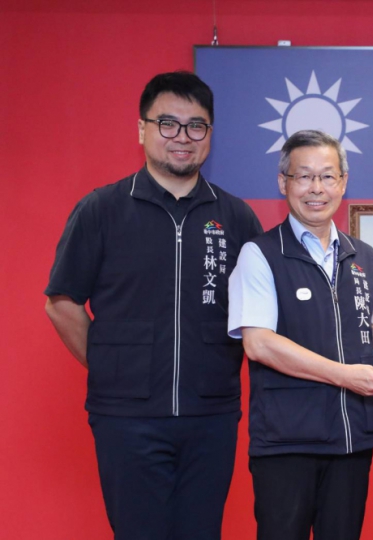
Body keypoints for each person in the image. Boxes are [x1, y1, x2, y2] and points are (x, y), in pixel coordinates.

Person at [44, 71, 264, 540]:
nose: (182, 137)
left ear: (210, 135)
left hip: (211, 415)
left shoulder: (236, 217)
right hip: (127, 419)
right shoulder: (102, 209)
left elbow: (263, 312)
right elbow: (61, 303)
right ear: (142, 129)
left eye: (196, 126)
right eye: (167, 123)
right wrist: (113, 365)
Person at [227, 129, 373, 540]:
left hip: (352, 438)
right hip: (288, 441)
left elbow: (354, 321)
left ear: (343, 181)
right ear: (283, 182)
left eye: (327, 176)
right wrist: (345, 376)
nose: (316, 188)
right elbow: (259, 343)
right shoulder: (260, 254)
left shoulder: (361, 254)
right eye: (304, 176)